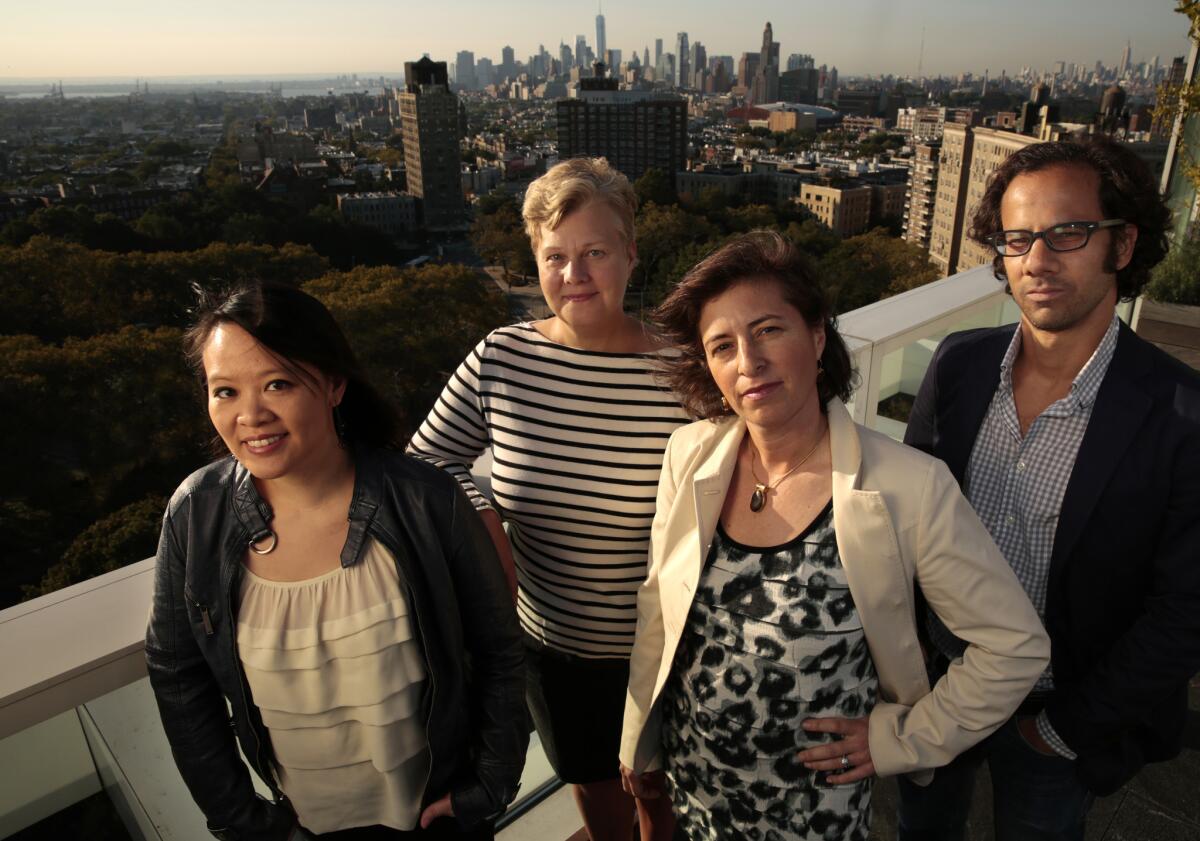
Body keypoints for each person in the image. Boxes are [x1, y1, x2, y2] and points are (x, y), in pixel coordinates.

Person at [619, 231, 1051, 841]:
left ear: (818, 336)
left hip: (811, 812)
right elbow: (657, 609)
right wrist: (639, 743)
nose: (749, 362)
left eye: (769, 330)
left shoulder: (908, 486)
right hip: (696, 789)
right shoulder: (689, 455)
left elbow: (1015, 647)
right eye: (722, 346)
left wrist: (901, 738)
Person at [145, 280, 527, 840]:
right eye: (224, 391)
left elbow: (497, 651)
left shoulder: (426, 501)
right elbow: (178, 678)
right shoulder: (195, 515)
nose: (250, 415)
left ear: (333, 384)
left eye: (277, 384)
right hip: (297, 826)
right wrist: (244, 821)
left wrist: (488, 787)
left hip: (435, 814)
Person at [898, 138, 1200, 840]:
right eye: (1017, 238)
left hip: (1057, 713)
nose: (1037, 259)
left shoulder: (1181, 415)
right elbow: (902, 521)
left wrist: (1065, 730)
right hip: (942, 683)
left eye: (1067, 233)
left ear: (1122, 245)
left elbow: (1185, 608)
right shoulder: (959, 366)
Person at [407, 157, 687, 841]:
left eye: (595, 252)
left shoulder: (685, 372)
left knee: (667, 794)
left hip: (669, 646)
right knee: (595, 787)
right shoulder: (502, 357)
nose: (575, 275)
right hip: (553, 650)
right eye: (555, 256)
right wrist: (483, 511)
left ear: (630, 252)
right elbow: (425, 462)